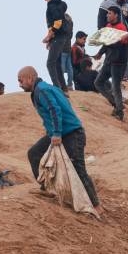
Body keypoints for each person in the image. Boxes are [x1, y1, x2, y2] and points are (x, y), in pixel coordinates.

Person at [18, 66, 101, 214]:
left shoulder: (42, 90)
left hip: (71, 134)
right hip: (60, 133)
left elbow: (54, 110)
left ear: (30, 78)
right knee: (34, 153)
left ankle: (96, 206)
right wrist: (51, 131)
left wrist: (56, 132)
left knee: (78, 168)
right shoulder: (46, 88)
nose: (20, 84)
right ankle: (47, 188)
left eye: (21, 80)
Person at [93, 6, 128, 121]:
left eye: (109, 13)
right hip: (109, 61)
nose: (107, 15)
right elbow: (105, 43)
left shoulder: (122, 28)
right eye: (107, 13)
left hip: (118, 62)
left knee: (115, 86)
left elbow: (119, 44)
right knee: (98, 83)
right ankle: (116, 104)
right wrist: (100, 53)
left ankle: (119, 111)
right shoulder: (108, 26)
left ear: (116, 15)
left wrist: (109, 41)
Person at [41, 0, 71, 92]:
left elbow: (58, 22)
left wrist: (49, 36)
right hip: (60, 37)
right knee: (57, 63)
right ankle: (63, 88)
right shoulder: (55, 5)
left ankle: (57, 88)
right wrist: (50, 39)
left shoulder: (52, 6)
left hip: (58, 37)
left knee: (50, 63)